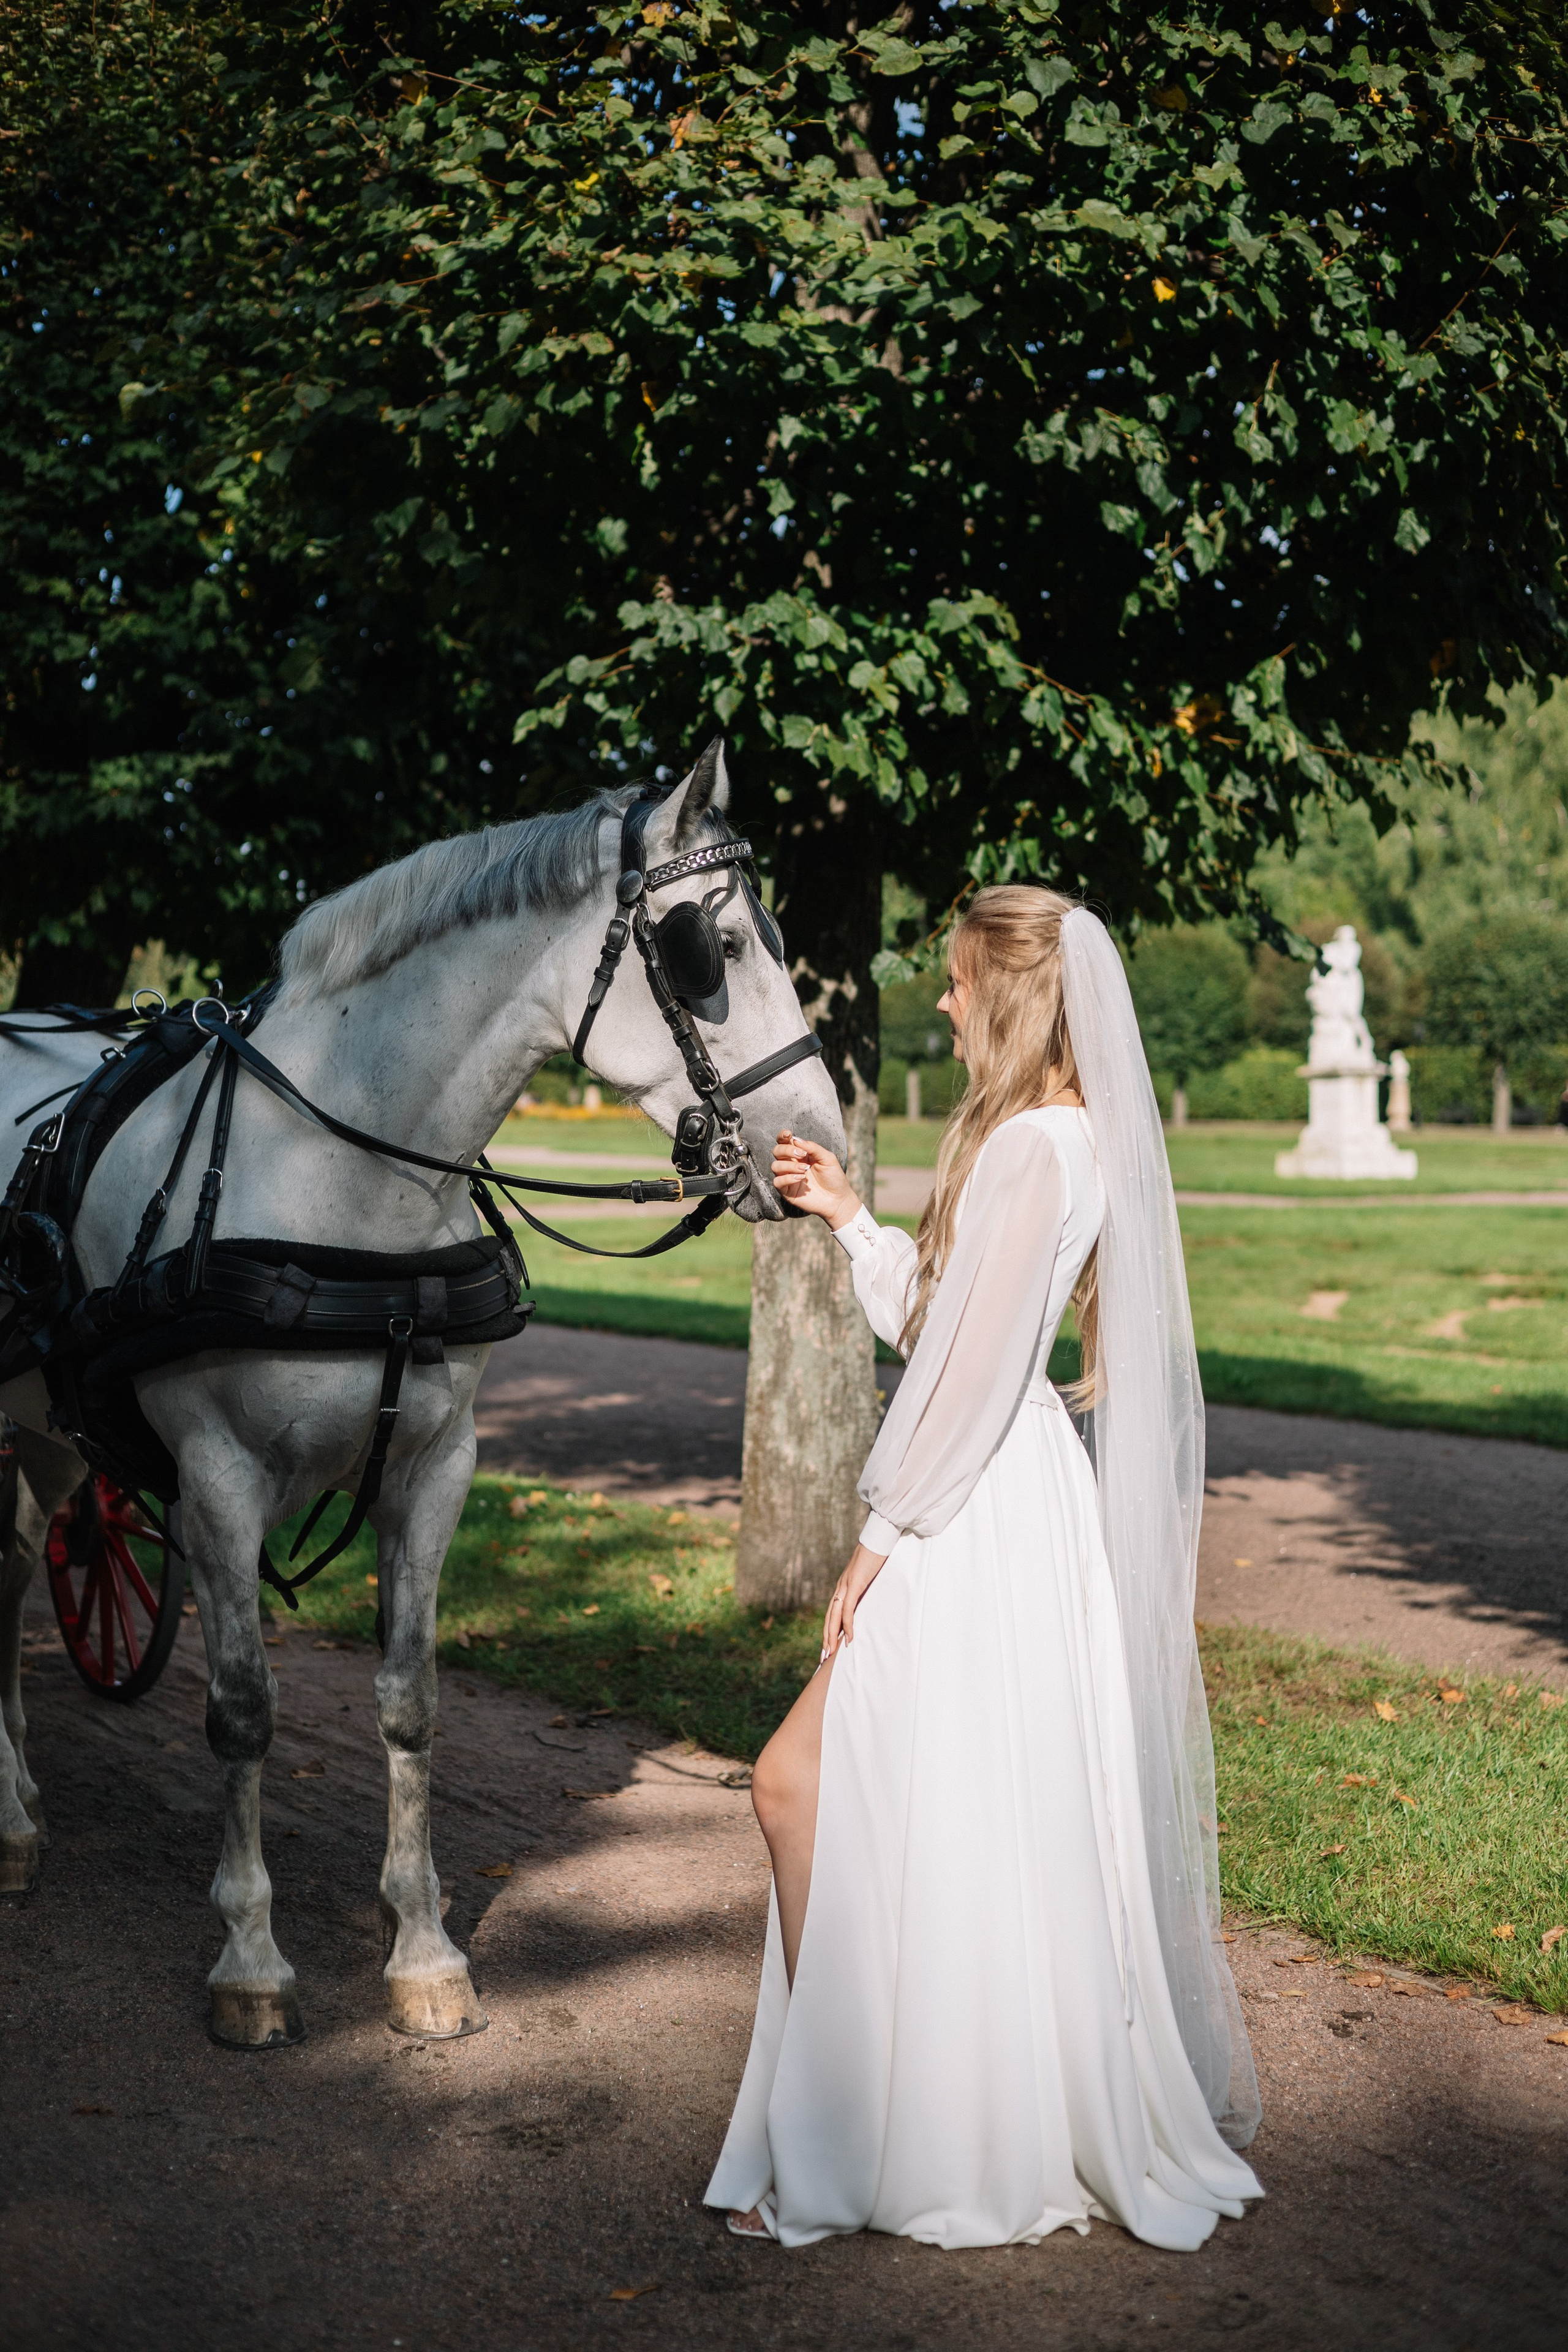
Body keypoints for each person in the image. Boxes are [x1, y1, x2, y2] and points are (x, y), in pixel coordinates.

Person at [704, 887, 1263, 2252]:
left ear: (1010, 993)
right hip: (1001, 1500)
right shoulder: (1050, 1144)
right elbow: (956, 1332)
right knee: (933, 1816)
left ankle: (845, 2128)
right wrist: (847, 1218)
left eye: (959, 982)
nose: (944, 1001)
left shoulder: (1033, 1150)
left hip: (962, 1514)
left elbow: (961, 1382)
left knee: (800, 1782)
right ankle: (881, 2117)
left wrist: (873, 1542)